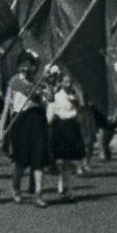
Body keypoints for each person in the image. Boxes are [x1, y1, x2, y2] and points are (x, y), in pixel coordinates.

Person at [0, 51, 52, 206]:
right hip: (20, 120)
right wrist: (2, 130)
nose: (29, 68)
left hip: (37, 119)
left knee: (39, 159)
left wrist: (47, 85)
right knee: (21, 161)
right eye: (26, 65)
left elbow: (50, 98)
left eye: (32, 65)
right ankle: (16, 188)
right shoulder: (15, 81)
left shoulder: (39, 81)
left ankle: (39, 194)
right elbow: (7, 107)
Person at [46, 67, 86, 202]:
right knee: (62, 160)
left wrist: (77, 105)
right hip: (60, 129)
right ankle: (63, 186)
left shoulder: (75, 95)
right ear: (60, 82)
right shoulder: (56, 96)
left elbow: (80, 114)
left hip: (72, 128)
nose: (68, 84)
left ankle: (67, 187)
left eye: (70, 82)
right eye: (65, 82)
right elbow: (50, 115)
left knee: (68, 161)